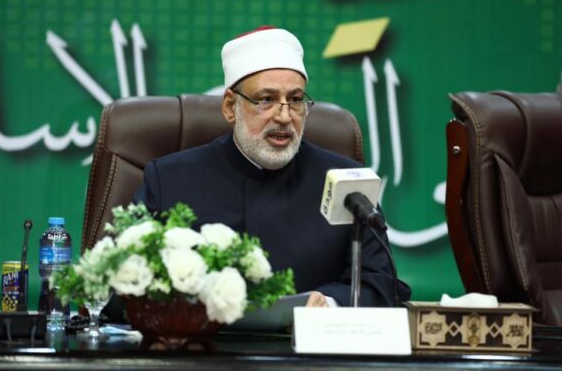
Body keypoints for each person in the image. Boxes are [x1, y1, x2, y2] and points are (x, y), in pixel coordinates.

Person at [133, 26, 410, 307]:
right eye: (266, 100)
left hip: (306, 335)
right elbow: (124, 278)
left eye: (295, 100)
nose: (284, 117)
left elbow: (381, 283)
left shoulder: (346, 182)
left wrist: (328, 303)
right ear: (229, 106)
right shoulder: (169, 180)